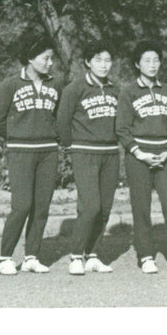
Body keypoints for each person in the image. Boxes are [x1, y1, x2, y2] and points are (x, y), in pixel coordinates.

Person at [116, 40, 167, 274]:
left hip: (165, 155)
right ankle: (146, 255)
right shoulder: (128, 92)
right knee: (142, 208)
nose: (152, 65)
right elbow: (122, 129)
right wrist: (139, 153)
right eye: (146, 60)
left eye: (156, 60)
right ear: (137, 64)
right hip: (139, 156)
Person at [0, 32, 62, 275]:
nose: (50, 63)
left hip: (48, 152)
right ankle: (5, 258)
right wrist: (17, 136)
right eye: (46, 58)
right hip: (21, 152)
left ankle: (32, 256)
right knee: (21, 205)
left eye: (52, 59)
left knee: (42, 206)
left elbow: (59, 117)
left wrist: (53, 135)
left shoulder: (55, 84)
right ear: (31, 58)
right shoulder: (10, 85)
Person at [56, 41, 120, 275]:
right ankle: (76, 256)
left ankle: (93, 255)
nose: (104, 65)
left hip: (110, 154)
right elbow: (62, 121)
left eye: (108, 60)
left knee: (104, 208)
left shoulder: (115, 89)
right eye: (98, 60)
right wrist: (71, 146)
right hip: (84, 152)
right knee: (90, 206)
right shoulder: (75, 89)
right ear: (88, 63)